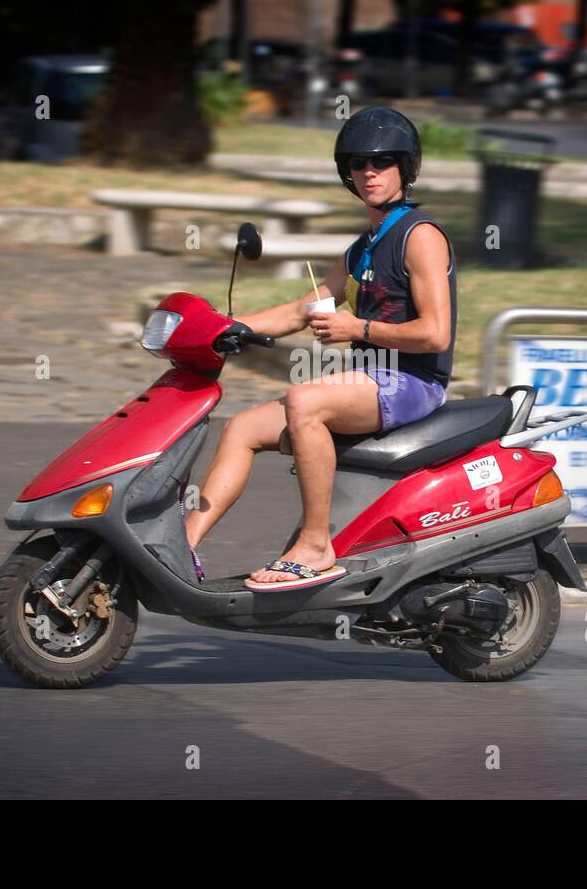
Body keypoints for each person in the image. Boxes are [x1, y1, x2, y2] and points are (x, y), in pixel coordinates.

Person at [183, 106, 458, 591]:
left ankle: (315, 545)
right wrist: (223, 328)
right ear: (346, 174)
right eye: (358, 164)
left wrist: (357, 330)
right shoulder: (363, 247)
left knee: (303, 400)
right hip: (371, 381)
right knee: (243, 428)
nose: (369, 172)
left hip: (413, 381)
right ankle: (182, 549)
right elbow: (302, 310)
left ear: (405, 167)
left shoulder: (421, 237)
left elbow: (436, 333)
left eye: (383, 162)